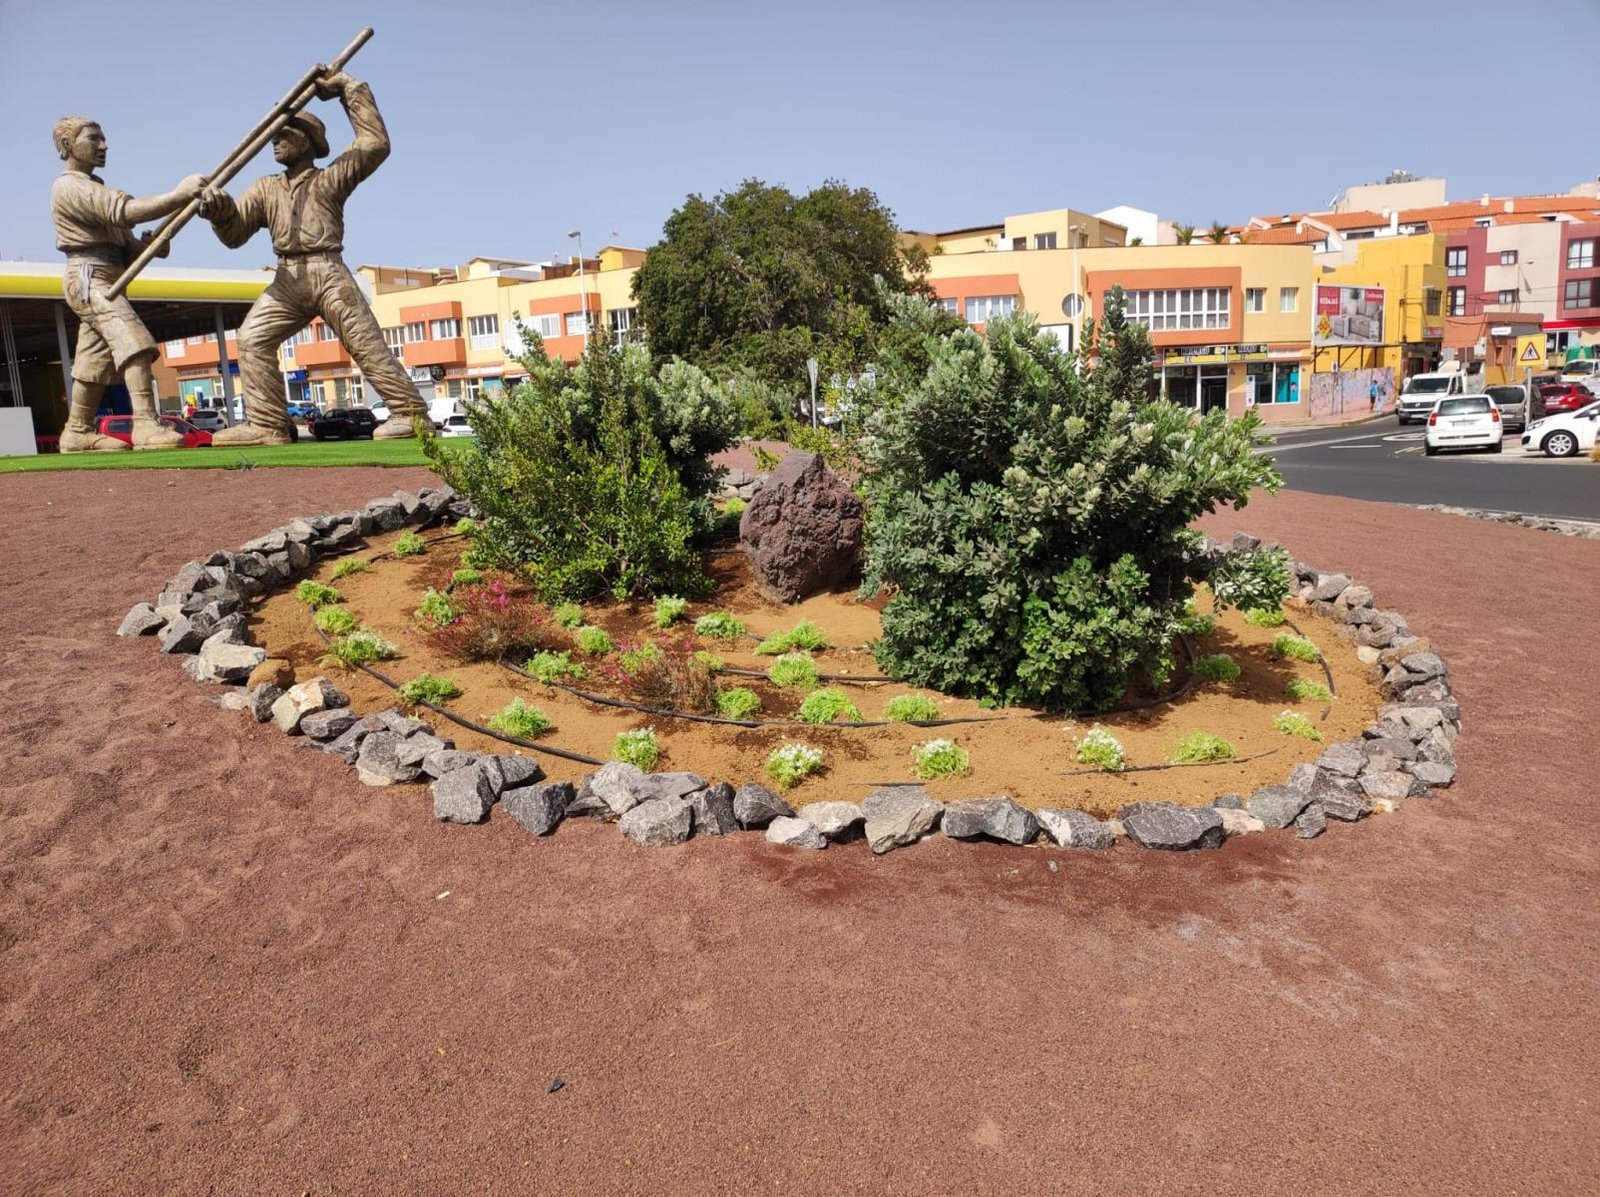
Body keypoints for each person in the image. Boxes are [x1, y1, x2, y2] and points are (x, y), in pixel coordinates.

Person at [196, 69, 425, 446]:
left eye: (284, 134)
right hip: (287, 279)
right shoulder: (265, 188)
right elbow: (235, 235)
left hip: (328, 271)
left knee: (364, 343)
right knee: (251, 338)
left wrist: (348, 89)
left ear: (307, 141)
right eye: (273, 135)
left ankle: (411, 414)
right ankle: (268, 425)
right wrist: (220, 213)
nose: (275, 141)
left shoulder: (329, 179)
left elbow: (374, 144)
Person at [50, 117, 204, 451]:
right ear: (67, 145)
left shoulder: (97, 187)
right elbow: (126, 212)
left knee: (93, 360)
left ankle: (77, 431)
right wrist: (179, 195)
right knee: (136, 344)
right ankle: (145, 424)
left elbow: (128, 244)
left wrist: (152, 245)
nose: (103, 146)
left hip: (110, 275)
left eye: (103, 139)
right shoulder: (70, 187)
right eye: (94, 139)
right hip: (88, 276)